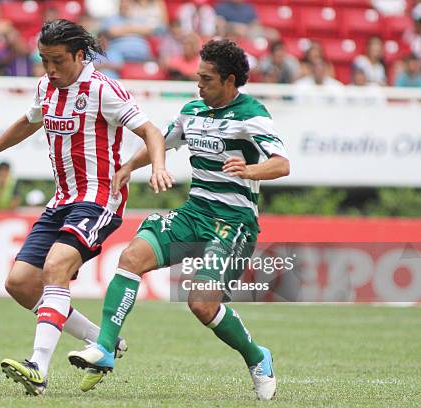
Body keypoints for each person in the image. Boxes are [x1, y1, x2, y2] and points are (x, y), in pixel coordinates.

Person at [0, 19, 173, 396]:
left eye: (57, 61)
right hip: (62, 201)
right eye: (44, 61)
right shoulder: (46, 87)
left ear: (79, 55)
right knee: (20, 284)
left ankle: (37, 366)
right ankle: (103, 341)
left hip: (100, 199)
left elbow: (152, 131)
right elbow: (28, 122)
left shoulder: (103, 90)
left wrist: (157, 165)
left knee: (55, 267)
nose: (50, 70)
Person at [68, 39, 290, 401]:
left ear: (230, 80)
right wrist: (127, 167)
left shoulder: (252, 115)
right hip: (194, 213)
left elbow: (282, 164)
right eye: (197, 78)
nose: (198, 85)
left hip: (232, 223)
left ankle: (256, 355)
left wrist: (250, 168)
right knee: (131, 258)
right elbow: (164, 142)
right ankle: (104, 348)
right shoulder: (192, 111)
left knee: (201, 304)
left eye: (206, 79)